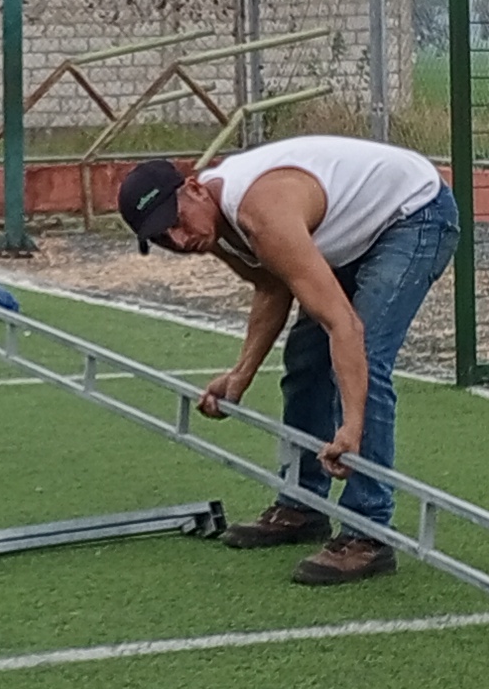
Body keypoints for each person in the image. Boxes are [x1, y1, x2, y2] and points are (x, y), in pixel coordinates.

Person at [115, 133, 457, 587]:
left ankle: (367, 533)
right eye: (162, 237)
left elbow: (344, 327)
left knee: (365, 354)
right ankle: (302, 504)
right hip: (351, 230)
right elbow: (271, 285)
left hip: (413, 213)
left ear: (195, 188)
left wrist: (351, 427)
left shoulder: (261, 212)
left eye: (175, 221)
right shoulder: (208, 227)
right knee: (305, 360)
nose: (178, 239)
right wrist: (241, 375)